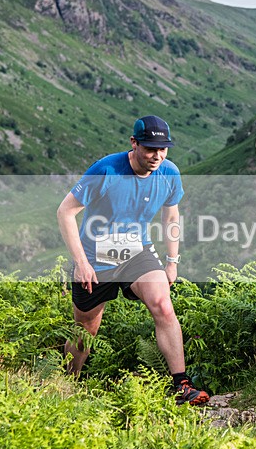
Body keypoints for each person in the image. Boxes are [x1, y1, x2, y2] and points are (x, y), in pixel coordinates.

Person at [57, 115, 208, 406]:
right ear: (134, 143)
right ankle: (65, 383)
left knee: (163, 305)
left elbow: (171, 214)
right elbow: (65, 212)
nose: (157, 155)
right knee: (86, 330)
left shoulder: (169, 172)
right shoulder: (107, 170)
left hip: (137, 250)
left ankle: (182, 385)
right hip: (96, 257)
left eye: (163, 149)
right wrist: (81, 263)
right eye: (150, 148)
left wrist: (172, 260)